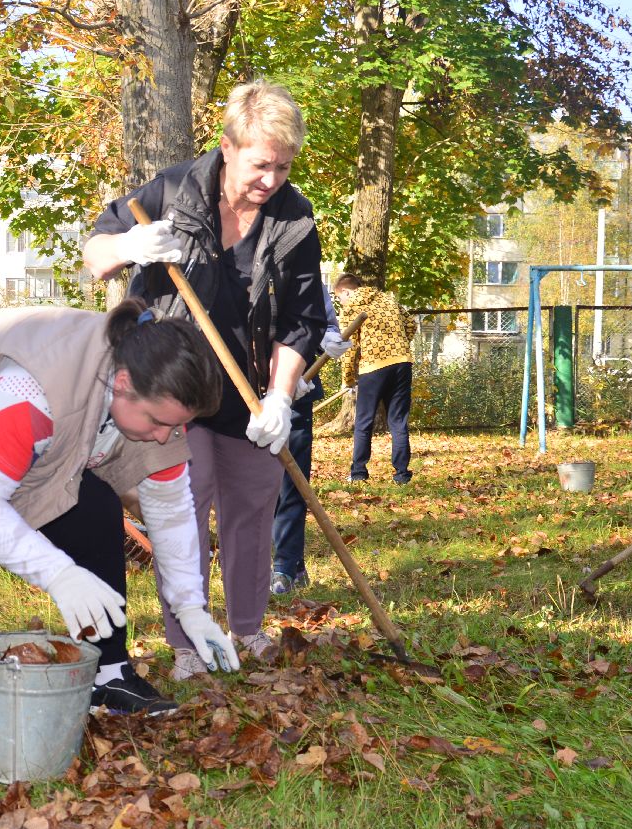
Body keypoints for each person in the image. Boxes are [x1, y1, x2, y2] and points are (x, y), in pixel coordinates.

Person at [0, 300, 239, 747]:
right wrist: (60, 575)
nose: (164, 436)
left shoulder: (154, 392)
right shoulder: (36, 391)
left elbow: (171, 505)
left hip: (22, 411)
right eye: (159, 423)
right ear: (122, 384)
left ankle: (108, 673)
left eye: (175, 426)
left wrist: (191, 606)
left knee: (95, 509)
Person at [83, 81, 327, 680]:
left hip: (248, 394)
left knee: (252, 506)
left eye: (284, 166)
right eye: (260, 163)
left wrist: (280, 397)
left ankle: (246, 628)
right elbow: (94, 253)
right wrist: (129, 244)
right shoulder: (171, 190)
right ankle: (187, 642)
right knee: (181, 512)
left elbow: (302, 322)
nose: (271, 179)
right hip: (173, 388)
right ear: (228, 146)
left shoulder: (293, 218)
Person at [269, 276, 352, 596]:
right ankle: (286, 561)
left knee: (293, 483)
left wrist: (328, 337)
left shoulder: (304, 276)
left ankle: (286, 565)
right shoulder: (239, 271)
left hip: (298, 395)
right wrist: (274, 384)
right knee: (263, 487)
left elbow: (324, 322)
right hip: (254, 396)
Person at [342, 280, 416, 484]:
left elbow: (349, 345)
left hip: (373, 366)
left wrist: (348, 378)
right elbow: (411, 323)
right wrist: (397, 347)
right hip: (402, 362)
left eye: (340, 298)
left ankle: (358, 473)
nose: (341, 304)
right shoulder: (387, 299)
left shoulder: (352, 306)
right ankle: (402, 475)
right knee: (398, 421)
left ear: (346, 292)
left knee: (364, 422)